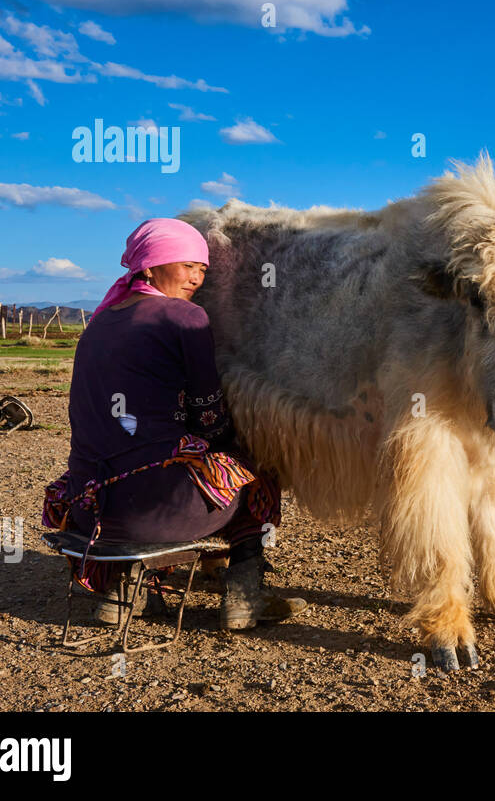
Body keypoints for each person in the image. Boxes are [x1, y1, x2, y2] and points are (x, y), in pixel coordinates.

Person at [41, 217, 305, 630]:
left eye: (203, 269)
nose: (197, 278)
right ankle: (245, 595)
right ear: (149, 266)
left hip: (87, 510)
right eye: (187, 266)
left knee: (146, 464)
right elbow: (208, 409)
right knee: (257, 468)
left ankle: (125, 591)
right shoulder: (185, 317)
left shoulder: (99, 323)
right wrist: (228, 443)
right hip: (159, 513)